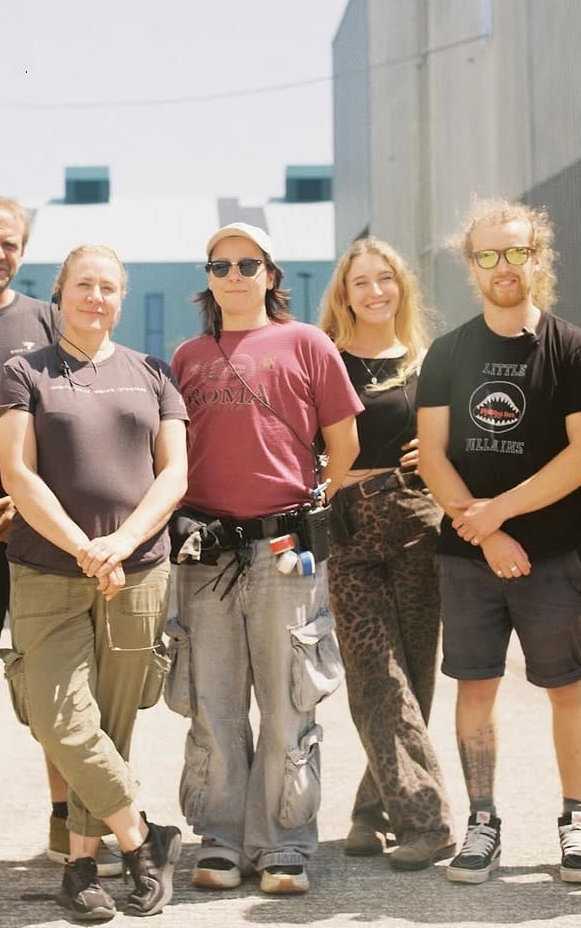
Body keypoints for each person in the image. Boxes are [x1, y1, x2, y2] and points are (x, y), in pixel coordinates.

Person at [0, 196, 120, 875]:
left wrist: (36, 507)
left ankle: (66, 813)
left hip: (41, 532)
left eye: (10, 243)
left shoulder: (45, 319)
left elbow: (74, 422)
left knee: (53, 677)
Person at [0, 244, 187, 920]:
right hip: (48, 571)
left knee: (110, 723)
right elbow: (18, 473)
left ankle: (82, 866)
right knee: (59, 717)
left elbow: (175, 475)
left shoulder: (153, 373)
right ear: (60, 293)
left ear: (121, 298)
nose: (95, 297)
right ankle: (142, 838)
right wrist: (83, 546)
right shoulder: (26, 372)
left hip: (137, 573)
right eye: (84, 284)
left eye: (108, 287)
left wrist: (122, 542)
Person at [417, 199, 581, 886]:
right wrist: (485, 528)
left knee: (566, 688)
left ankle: (578, 823)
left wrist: (500, 514)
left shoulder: (574, 347)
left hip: (554, 553)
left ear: (539, 256)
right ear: (472, 265)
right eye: (489, 254)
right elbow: (433, 455)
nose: (504, 265)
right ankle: (483, 821)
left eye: (517, 251)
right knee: (476, 686)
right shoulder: (449, 351)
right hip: (468, 554)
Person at [167, 222, 361, 896]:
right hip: (207, 553)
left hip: (287, 550)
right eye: (220, 265)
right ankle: (219, 837)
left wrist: (308, 509)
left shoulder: (308, 343)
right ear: (209, 278)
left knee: (288, 700)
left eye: (249, 263)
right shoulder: (187, 357)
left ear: (272, 274)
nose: (235, 274)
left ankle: (283, 843)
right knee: (214, 701)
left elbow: (344, 444)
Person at [318, 238, 454, 870]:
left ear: (402, 286)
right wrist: (325, 469)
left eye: (385, 279)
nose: (374, 291)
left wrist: (437, 453)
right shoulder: (325, 361)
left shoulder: (434, 362)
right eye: (360, 282)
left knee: (416, 676)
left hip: (420, 527)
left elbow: (468, 443)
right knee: (376, 675)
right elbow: (292, 441)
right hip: (349, 535)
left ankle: (374, 809)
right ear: (343, 295)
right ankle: (427, 821)